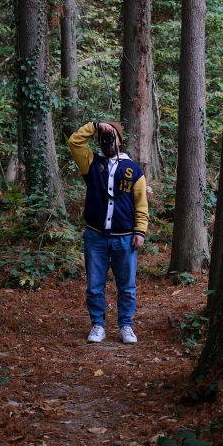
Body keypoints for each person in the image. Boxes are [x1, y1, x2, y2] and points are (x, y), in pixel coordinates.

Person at [68, 120, 148, 344]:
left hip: (125, 238)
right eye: (104, 138)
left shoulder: (133, 169)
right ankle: (98, 325)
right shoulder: (91, 163)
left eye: (112, 136)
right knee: (94, 285)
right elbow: (75, 142)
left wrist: (140, 231)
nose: (107, 141)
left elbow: (141, 203)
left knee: (127, 286)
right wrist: (96, 126)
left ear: (120, 140)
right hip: (95, 237)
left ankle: (126, 325)